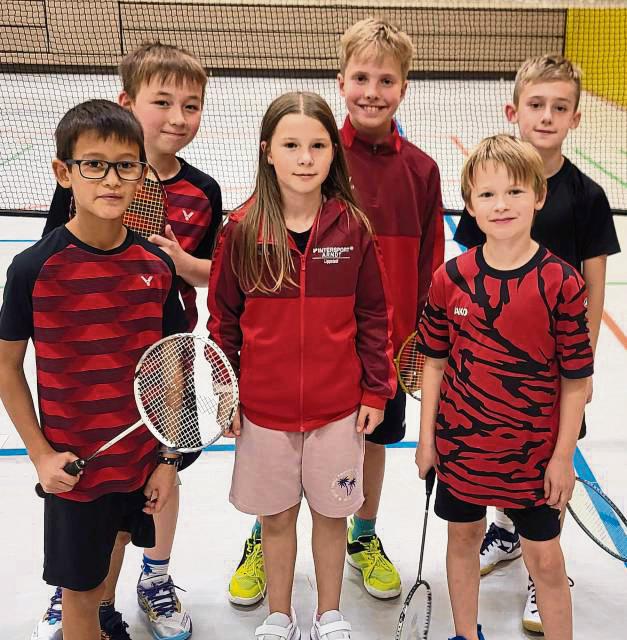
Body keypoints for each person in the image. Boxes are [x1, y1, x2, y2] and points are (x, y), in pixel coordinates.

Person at [35, 42, 223, 640]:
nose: (176, 117)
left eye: (190, 106)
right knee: (89, 489)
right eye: (161, 102)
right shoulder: (91, 175)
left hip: (167, 356)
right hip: (92, 362)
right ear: (127, 103)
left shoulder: (203, 191)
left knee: (160, 478)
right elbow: (55, 267)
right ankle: (81, 597)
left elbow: (210, 270)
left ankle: (156, 576)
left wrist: (178, 260)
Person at [208, 91, 397, 640]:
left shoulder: (353, 227)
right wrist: (227, 392)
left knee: (332, 516)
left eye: (317, 145)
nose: (306, 158)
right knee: (276, 519)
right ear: (268, 151)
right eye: (292, 145)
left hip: (338, 409)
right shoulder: (240, 229)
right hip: (263, 413)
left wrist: (375, 391)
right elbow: (221, 324)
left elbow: (373, 317)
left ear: (333, 154)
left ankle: (330, 614)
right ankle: (280, 614)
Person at [0, 100, 187, 640]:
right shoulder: (34, 268)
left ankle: (101, 623)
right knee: (78, 596)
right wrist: (40, 455)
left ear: (142, 175)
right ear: (64, 173)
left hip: (137, 464)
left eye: (126, 165)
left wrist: (166, 459)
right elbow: (8, 367)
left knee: (116, 552)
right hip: (74, 474)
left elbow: (171, 370)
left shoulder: (155, 268)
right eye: (94, 164)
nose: (111, 178)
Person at [453, 54, 620, 633]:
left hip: (555, 366)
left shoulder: (588, 195)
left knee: (548, 464)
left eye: (559, 107)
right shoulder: (492, 186)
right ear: (514, 111)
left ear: (576, 118)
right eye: (536, 105)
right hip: (494, 363)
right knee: (498, 447)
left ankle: (539, 573)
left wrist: (586, 367)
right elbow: (469, 271)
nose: (546, 116)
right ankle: (504, 528)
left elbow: (594, 284)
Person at [416, 134, 593, 640]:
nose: (501, 205)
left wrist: (563, 458)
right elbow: (433, 362)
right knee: (463, 538)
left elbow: (575, 379)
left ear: (539, 195)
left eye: (515, 192)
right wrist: (428, 440)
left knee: (545, 557)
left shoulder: (562, 282)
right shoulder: (450, 278)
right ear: (470, 204)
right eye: (487, 195)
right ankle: (465, 634)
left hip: (534, 455)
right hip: (463, 446)